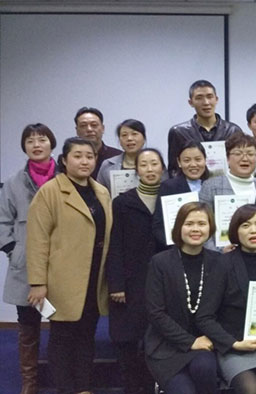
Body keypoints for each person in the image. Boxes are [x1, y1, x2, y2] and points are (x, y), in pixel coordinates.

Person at [26, 137, 113, 394]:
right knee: (63, 339)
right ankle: (65, 389)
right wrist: (38, 283)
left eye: (89, 156)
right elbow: (37, 240)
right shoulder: (50, 192)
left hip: (95, 277)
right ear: (64, 160)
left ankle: (83, 387)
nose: (84, 161)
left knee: (87, 336)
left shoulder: (101, 192)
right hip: (63, 279)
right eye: (78, 156)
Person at [196, 205, 256, 394]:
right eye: (245, 225)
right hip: (233, 344)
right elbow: (204, 317)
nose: (253, 230)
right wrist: (233, 343)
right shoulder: (223, 263)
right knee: (251, 390)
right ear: (235, 231)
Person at [0, 123, 57, 394]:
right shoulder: (13, 182)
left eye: (42, 139)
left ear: (51, 144)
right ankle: (29, 383)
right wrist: (15, 250)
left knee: (63, 326)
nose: (36, 145)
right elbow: (2, 222)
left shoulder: (65, 177)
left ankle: (63, 378)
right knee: (28, 326)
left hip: (61, 263)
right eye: (30, 140)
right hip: (25, 266)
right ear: (24, 146)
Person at [106, 148, 166, 394]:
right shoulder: (122, 202)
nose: (150, 169)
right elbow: (115, 245)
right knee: (127, 338)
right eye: (144, 165)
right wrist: (116, 284)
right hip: (130, 280)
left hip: (163, 280)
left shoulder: (172, 199)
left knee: (158, 338)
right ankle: (132, 387)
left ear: (163, 167)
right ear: (136, 170)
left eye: (154, 164)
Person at [144, 202, 219, 394]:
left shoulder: (219, 262)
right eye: (189, 223)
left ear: (210, 228)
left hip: (205, 341)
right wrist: (190, 342)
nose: (195, 229)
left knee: (204, 367)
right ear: (179, 227)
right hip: (165, 346)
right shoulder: (160, 262)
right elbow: (155, 313)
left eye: (201, 223)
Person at [167, 80, 242, 176]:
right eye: (199, 98)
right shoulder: (179, 132)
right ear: (191, 102)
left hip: (225, 183)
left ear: (216, 99)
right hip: (191, 184)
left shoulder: (233, 131)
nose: (206, 102)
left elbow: (239, 163)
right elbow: (174, 170)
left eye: (210, 97)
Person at [153, 141, 210, 247]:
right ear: (179, 162)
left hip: (212, 249)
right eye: (187, 160)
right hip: (178, 249)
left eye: (198, 159)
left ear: (205, 160)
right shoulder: (169, 187)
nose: (193, 164)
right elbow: (159, 225)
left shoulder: (215, 184)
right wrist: (177, 246)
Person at [96, 119, 149, 195]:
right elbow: (100, 194)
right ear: (120, 141)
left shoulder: (155, 164)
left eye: (134, 134)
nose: (129, 138)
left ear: (144, 138)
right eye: (124, 135)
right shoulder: (108, 164)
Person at [74, 107, 121, 179]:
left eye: (94, 125)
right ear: (77, 130)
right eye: (83, 126)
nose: (89, 129)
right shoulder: (69, 158)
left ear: (103, 128)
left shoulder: (117, 157)